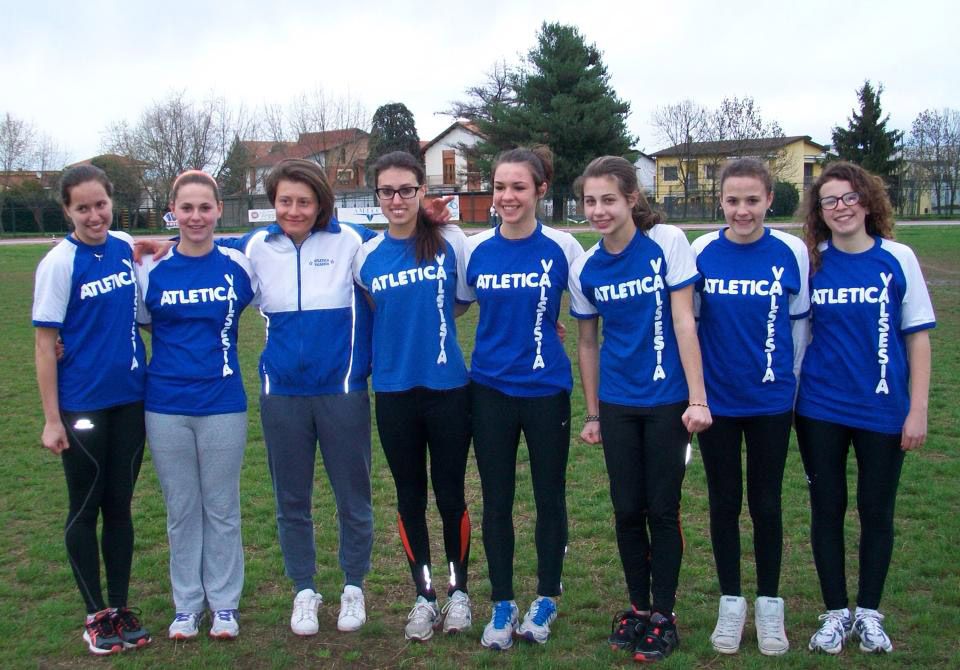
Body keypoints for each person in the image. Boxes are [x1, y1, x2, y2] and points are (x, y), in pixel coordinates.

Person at [569, 155, 712, 663]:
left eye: (609, 199)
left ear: (632, 198)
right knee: (627, 509)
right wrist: (592, 414)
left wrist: (697, 398)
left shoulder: (666, 242)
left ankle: (664, 615)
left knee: (662, 509)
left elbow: (684, 321)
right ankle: (638, 607)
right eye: (590, 201)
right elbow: (588, 343)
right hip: (617, 403)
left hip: (667, 401)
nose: (599, 210)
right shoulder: (585, 267)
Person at [795, 161, 934, 655]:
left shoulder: (897, 258)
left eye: (850, 197)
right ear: (819, 211)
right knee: (827, 509)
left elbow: (917, 338)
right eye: (829, 200)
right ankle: (835, 613)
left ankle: (869, 613)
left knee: (876, 510)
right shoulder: (812, 263)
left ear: (868, 201)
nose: (841, 207)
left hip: (883, 409)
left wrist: (917, 409)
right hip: (819, 408)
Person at [462, 146, 583, 650]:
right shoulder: (474, 249)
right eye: (499, 187)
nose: (507, 196)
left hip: (546, 391)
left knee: (549, 496)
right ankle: (503, 601)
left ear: (540, 190)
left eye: (518, 187)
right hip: (489, 389)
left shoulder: (563, 247)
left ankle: (547, 596)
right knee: (497, 500)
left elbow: (593, 306)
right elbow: (453, 304)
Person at [690, 158, 810, 656]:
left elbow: (799, 327)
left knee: (766, 503)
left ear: (769, 201)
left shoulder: (791, 251)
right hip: (717, 402)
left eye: (753, 200)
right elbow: (690, 325)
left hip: (770, 401)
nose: (743, 210)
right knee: (723, 502)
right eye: (733, 200)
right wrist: (697, 394)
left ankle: (769, 604)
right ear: (720, 201)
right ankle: (731, 602)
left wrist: (789, 386)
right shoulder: (702, 251)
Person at [353, 151, 473, 641]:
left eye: (406, 189)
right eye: (387, 191)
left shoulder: (450, 241)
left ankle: (459, 593)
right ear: (377, 195)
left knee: (451, 495)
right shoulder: (366, 257)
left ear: (422, 191)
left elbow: (462, 303)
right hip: (394, 392)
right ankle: (424, 597)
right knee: (409, 498)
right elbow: (375, 308)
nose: (397, 199)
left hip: (448, 390)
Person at [32, 164, 151, 655]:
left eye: (100, 204)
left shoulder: (124, 246)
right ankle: (95, 615)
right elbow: (45, 346)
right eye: (83, 207)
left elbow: (145, 306)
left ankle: (119, 607)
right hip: (82, 405)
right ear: (67, 211)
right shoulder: (59, 263)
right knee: (86, 505)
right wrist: (51, 419)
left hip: (131, 399)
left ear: (111, 202)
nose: (94, 215)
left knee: (119, 506)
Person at [136, 171, 256, 640]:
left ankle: (224, 605)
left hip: (223, 402)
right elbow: (143, 322)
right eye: (186, 208)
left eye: (205, 207)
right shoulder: (151, 267)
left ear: (218, 209)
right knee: (182, 509)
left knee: (222, 507)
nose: (196, 217)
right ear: (173, 211)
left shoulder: (239, 264)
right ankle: (186, 605)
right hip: (166, 405)